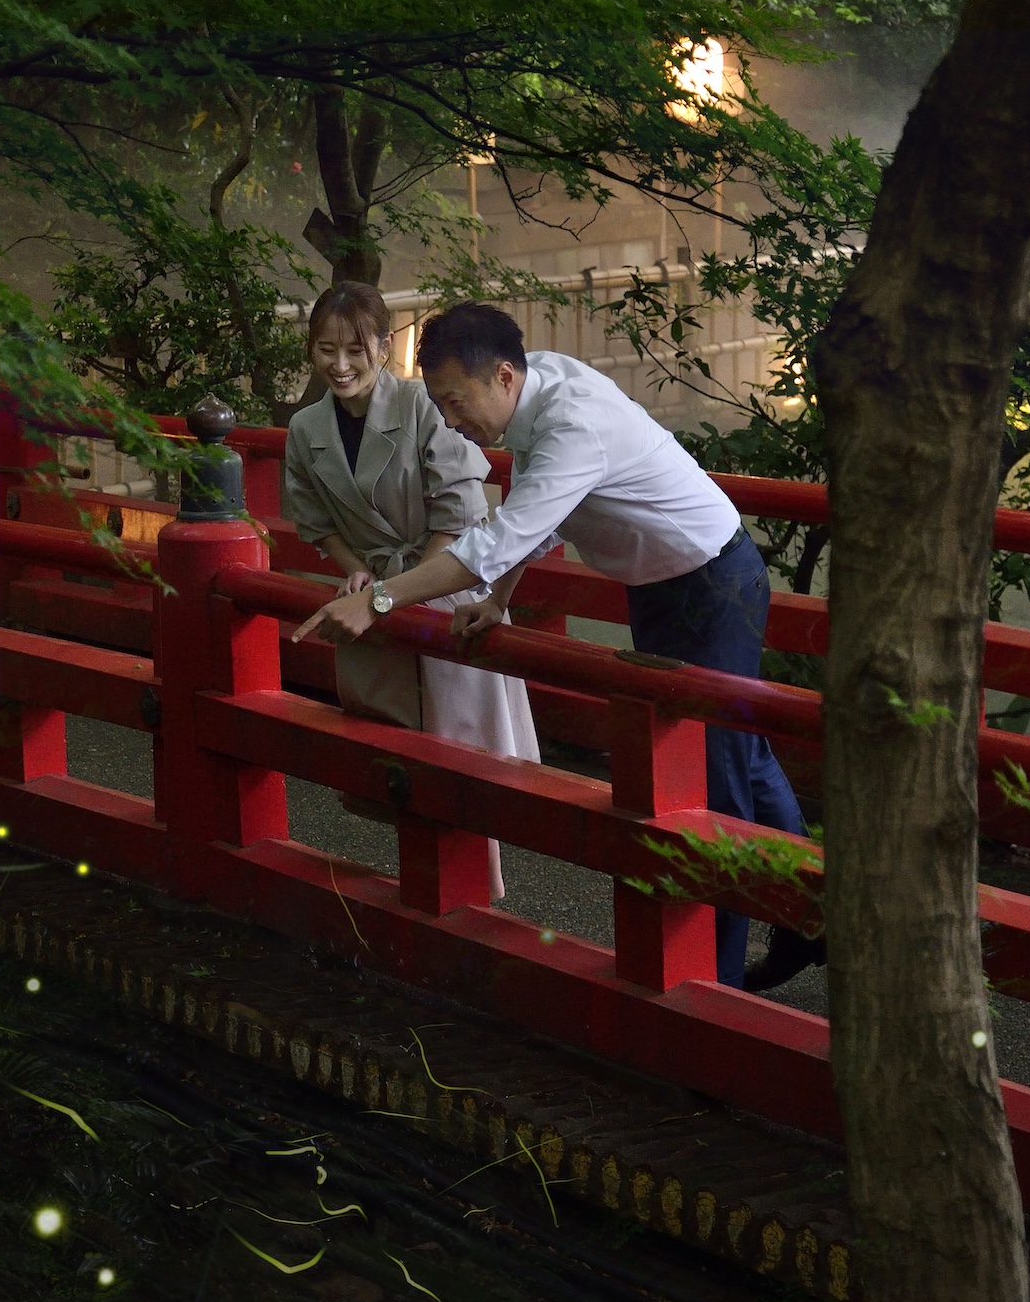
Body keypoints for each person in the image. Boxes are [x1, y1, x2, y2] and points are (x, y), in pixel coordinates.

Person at [290, 301, 822, 991]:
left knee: (713, 781)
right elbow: (532, 516)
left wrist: (380, 599)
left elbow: (493, 538)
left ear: (503, 376)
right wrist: (500, 600)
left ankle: (715, 979)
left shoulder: (571, 423)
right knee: (735, 754)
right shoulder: (542, 392)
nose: (452, 420)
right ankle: (809, 914)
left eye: (456, 401)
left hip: (711, 581)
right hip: (663, 582)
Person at [281, 284, 540, 899]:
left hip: (443, 584)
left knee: (459, 747)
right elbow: (315, 522)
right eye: (326, 350)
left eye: (355, 349)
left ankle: (474, 892)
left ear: (383, 345)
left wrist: (397, 591)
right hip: (372, 593)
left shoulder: (427, 405)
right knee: (397, 750)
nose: (340, 365)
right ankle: (427, 887)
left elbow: (459, 515)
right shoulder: (305, 427)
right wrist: (358, 571)